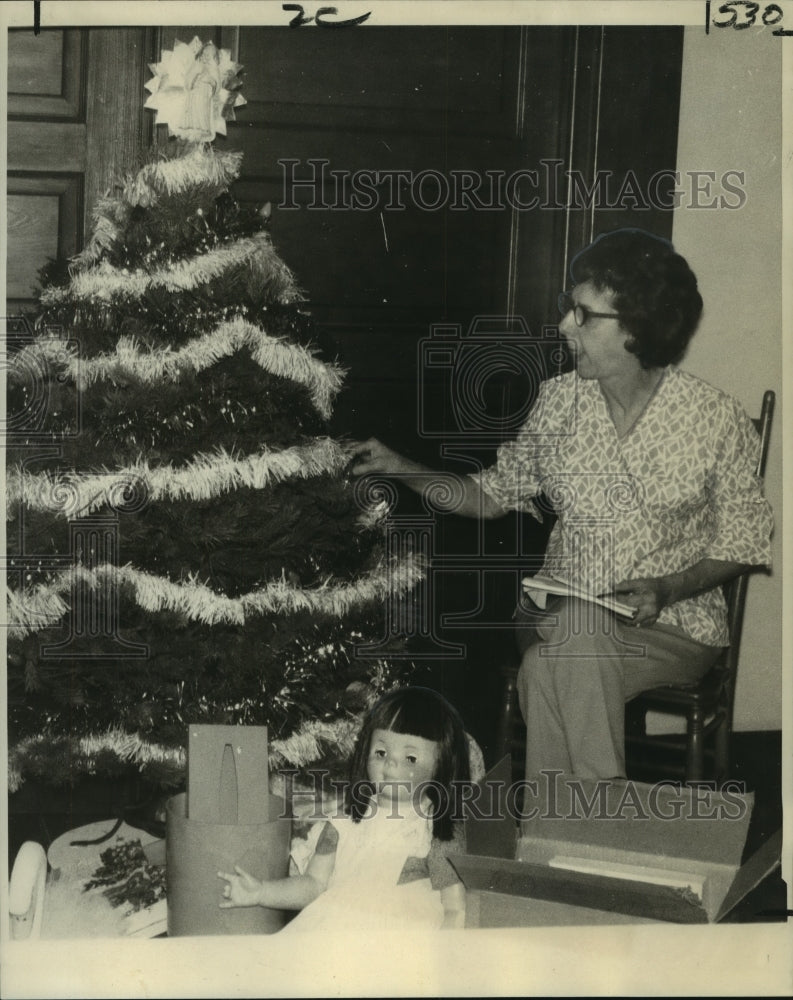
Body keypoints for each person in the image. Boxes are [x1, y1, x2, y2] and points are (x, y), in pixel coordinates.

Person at [348, 229, 773, 782]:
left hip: (674, 624)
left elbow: (744, 539)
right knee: (576, 626)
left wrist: (670, 587)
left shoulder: (715, 419)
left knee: (549, 669)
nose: (563, 325)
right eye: (567, 308)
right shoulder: (558, 402)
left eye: (584, 314)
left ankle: (554, 835)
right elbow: (490, 496)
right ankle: (599, 824)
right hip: (554, 609)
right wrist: (402, 468)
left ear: (637, 330)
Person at [217, 686, 470, 931]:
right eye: (381, 751)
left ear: (443, 766)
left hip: (403, 944)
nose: (391, 763)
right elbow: (314, 884)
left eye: (410, 758)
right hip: (339, 932)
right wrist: (262, 892)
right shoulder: (344, 823)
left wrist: (445, 958)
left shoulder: (432, 830)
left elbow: (454, 908)